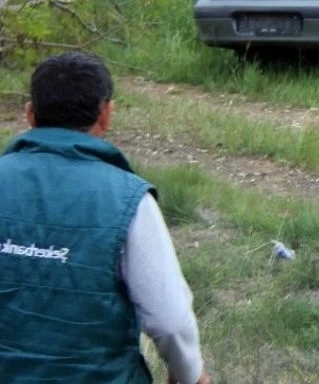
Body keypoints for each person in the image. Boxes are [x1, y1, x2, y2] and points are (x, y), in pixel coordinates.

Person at [0, 52, 211, 384]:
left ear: (29, 114)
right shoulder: (130, 200)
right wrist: (191, 376)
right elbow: (171, 321)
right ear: (106, 114)